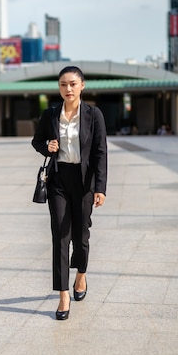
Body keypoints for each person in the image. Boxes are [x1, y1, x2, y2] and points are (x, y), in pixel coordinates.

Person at [31, 66, 108, 320]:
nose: (68, 89)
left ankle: (81, 274)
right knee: (60, 236)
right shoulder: (51, 114)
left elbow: (100, 153)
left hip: (85, 182)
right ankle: (63, 295)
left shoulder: (93, 115)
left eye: (73, 84)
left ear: (82, 85)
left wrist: (100, 188)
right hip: (58, 180)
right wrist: (47, 146)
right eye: (63, 84)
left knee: (81, 234)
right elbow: (36, 141)